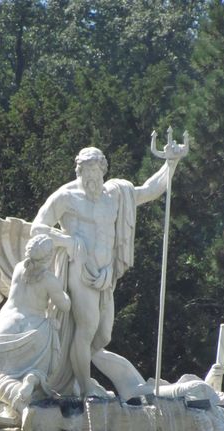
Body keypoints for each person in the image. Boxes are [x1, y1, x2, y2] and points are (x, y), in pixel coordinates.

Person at [31, 145, 182, 397]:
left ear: (103, 170)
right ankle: (85, 387)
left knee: (102, 334)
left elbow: (150, 191)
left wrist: (171, 163)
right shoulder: (65, 197)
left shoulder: (115, 195)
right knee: (87, 327)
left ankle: (70, 376)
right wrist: (67, 241)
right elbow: (37, 228)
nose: (91, 176)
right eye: (85, 171)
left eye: (95, 170)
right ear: (78, 172)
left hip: (106, 274)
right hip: (80, 270)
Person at [0, 234, 71, 418]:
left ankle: (21, 403)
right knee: (44, 361)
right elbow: (65, 306)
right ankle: (34, 378)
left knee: (0, 376)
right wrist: (65, 292)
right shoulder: (49, 280)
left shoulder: (20, 268)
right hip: (33, 329)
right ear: (49, 257)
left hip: (5, 325)